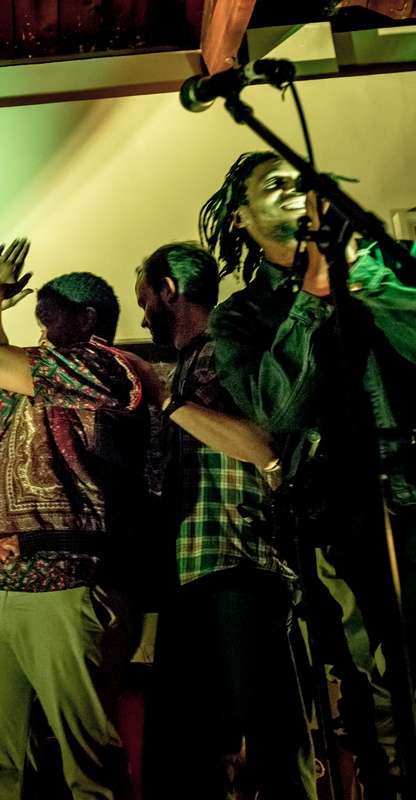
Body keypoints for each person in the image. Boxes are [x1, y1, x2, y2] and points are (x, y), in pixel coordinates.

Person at [201, 152, 416, 794]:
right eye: (275, 184)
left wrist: (365, 278)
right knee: (381, 690)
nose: (297, 190)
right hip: (341, 521)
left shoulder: (385, 268)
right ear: (240, 218)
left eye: (303, 180)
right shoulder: (241, 317)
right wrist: (315, 295)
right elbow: (278, 407)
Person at [0, 238, 150, 800]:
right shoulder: (34, 383)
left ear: (86, 319)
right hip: (0, 585)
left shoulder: (106, 368)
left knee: (89, 767)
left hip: (66, 581)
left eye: (49, 318)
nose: (39, 330)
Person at [133, 242, 316, 798]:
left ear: (168, 290)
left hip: (239, 566)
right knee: (186, 756)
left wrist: (168, 402)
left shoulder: (228, 348)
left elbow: (264, 447)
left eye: (145, 301)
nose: (143, 318)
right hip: (190, 575)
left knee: (272, 742)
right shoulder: (186, 366)